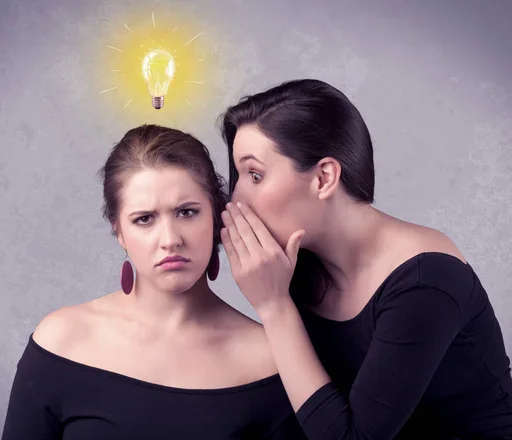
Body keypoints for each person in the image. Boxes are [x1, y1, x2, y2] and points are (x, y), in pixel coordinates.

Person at [218, 79, 512, 439]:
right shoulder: (298, 264)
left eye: (255, 175)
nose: (237, 198)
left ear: (324, 178)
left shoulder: (426, 279)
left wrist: (274, 307)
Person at [1, 124, 306, 440]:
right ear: (119, 230)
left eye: (187, 212)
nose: (170, 240)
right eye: (144, 219)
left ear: (216, 217)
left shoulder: (269, 359)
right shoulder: (62, 340)